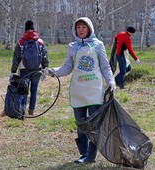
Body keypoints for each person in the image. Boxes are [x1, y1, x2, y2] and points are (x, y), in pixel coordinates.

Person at [47, 17, 116, 164]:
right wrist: (54, 72)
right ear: (75, 30)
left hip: (95, 90)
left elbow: (105, 66)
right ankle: (83, 153)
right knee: (80, 123)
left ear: (89, 28)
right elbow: (68, 67)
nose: (81, 29)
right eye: (78, 27)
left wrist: (111, 81)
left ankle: (91, 156)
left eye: (83, 27)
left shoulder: (98, 45)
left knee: (94, 124)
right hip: (78, 90)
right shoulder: (72, 46)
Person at [10, 20, 49, 115]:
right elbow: (44, 57)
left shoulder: (21, 42)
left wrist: (13, 71)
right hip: (37, 70)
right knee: (34, 91)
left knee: (23, 91)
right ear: (34, 28)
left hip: (24, 70)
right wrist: (45, 69)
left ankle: (22, 111)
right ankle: (31, 111)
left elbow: (16, 58)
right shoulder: (40, 42)